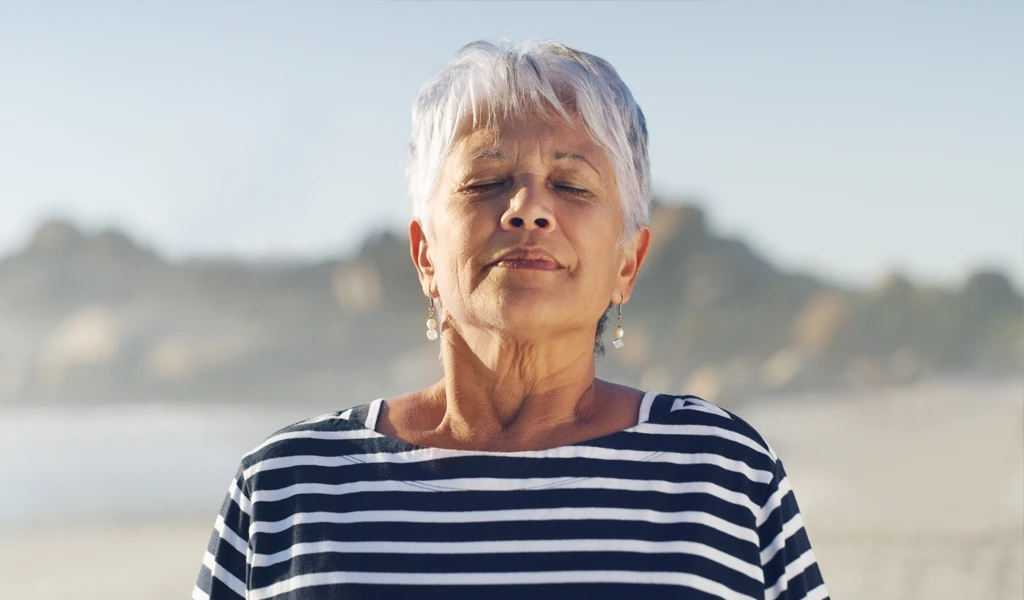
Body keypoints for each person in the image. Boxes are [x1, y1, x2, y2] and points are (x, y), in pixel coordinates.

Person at [193, 40, 830, 600]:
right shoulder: (286, 489)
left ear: (627, 264)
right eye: (487, 181)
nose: (527, 209)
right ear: (425, 257)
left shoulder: (719, 470)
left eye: (573, 186)